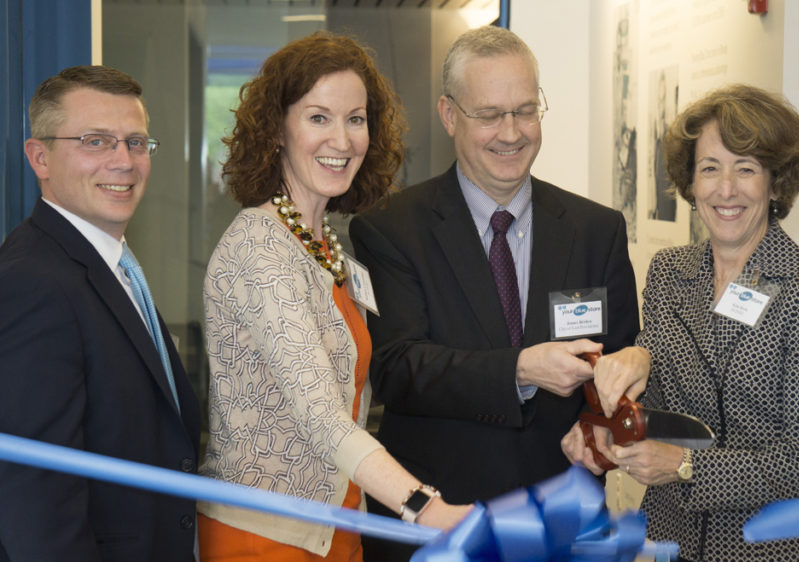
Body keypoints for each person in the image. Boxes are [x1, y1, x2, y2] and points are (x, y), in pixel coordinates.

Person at [349, 26, 641, 560]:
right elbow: (397, 368)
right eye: (489, 114)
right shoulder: (391, 229)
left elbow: (619, 362)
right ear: (449, 115)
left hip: (562, 522)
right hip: (438, 524)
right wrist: (520, 369)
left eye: (525, 111)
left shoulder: (596, 230)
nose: (511, 132)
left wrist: (598, 428)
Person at [198, 32, 470, 562]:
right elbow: (322, 416)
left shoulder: (325, 245)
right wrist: (425, 507)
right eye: (318, 117)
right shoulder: (259, 245)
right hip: (264, 538)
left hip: (338, 526)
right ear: (276, 129)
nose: (342, 141)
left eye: (356, 119)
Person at [565, 84, 799, 561]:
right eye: (710, 168)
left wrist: (686, 466)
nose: (726, 189)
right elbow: (657, 409)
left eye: (746, 168)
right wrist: (604, 430)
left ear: (776, 183)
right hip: (671, 541)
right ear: (690, 182)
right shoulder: (670, 273)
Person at [0, 66, 201, 560]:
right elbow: (36, 499)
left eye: (136, 143)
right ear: (40, 157)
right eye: (95, 142)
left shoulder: (111, 266)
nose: (124, 162)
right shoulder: (32, 283)